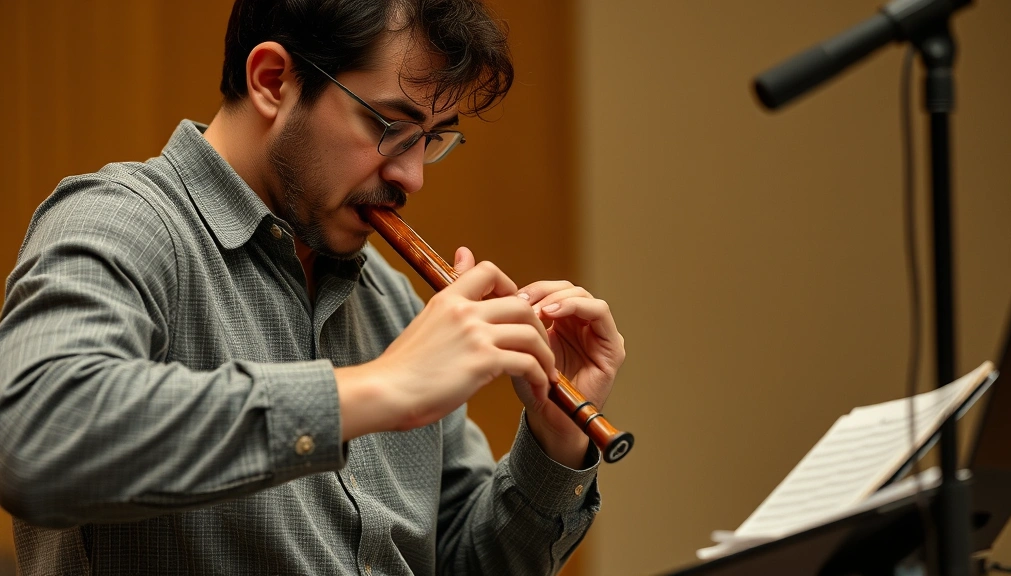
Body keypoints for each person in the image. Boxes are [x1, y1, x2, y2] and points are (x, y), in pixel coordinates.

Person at [0, 0, 625, 574]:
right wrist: (384, 387)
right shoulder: (120, 222)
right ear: (273, 81)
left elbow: (462, 561)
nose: (410, 175)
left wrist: (554, 437)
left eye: (432, 139)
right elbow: (33, 438)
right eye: (390, 126)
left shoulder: (389, 299)